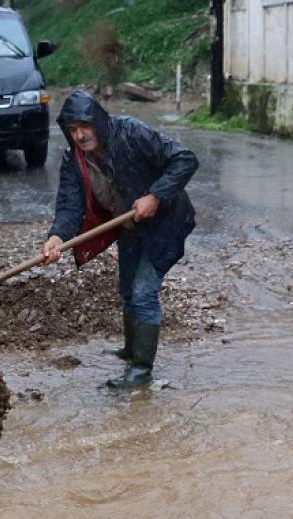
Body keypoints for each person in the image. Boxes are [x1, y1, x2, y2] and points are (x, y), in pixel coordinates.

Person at [40, 90, 198, 389]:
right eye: (72, 129)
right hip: (129, 228)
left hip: (165, 224)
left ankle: (141, 371)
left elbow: (185, 159)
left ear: (98, 121)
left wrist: (155, 195)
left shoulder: (132, 133)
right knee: (127, 289)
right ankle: (130, 349)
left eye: (84, 126)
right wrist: (57, 236)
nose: (80, 135)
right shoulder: (75, 160)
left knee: (142, 293)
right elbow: (69, 205)